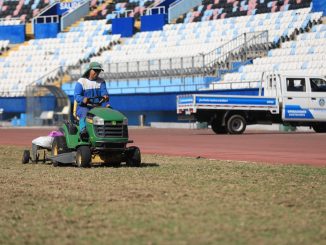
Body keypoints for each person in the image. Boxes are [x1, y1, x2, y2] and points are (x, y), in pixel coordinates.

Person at [74, 62, 110, 139]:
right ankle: (83, 131)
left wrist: (106, 97)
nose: (97, 73)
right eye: (95, 70)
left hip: (97, 107)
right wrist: (83, 99)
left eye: (99, 71)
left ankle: (108, 133)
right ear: (89, 70)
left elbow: (104, 92)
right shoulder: (81, 81)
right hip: (83, 107)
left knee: (108, 114)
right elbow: (76, 96)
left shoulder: (101, 82)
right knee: (85, 114)